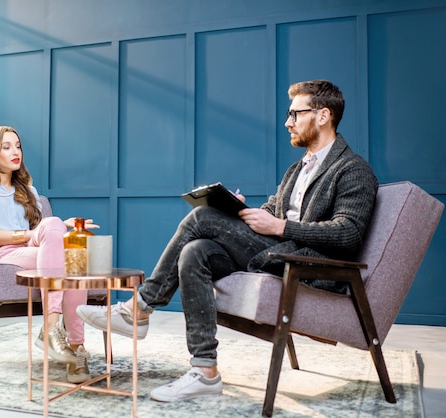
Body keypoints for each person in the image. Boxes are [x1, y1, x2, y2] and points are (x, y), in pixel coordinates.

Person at [76, 80, 378, 401]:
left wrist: (279, 227)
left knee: (201, 218)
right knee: (196, 251)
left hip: (304, 263)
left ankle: (140, 307)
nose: (287, 122)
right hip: (276, 251)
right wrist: (239, 210)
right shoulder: (296, 169)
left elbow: (347, 234)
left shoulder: (352, 170)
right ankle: (205, 370)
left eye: (295, 114)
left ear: (323, 116)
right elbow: (272, 212)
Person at [0, 125, 99, 384]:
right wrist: (30, 235)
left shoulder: (30, 192)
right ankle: (55, 329)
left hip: (32, 252)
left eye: (18, 146)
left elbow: (47, 237)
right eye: (7, 146)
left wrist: (58, 228)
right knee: (60, 241)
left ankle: (74, 347)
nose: (16, 152)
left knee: (72, 254)